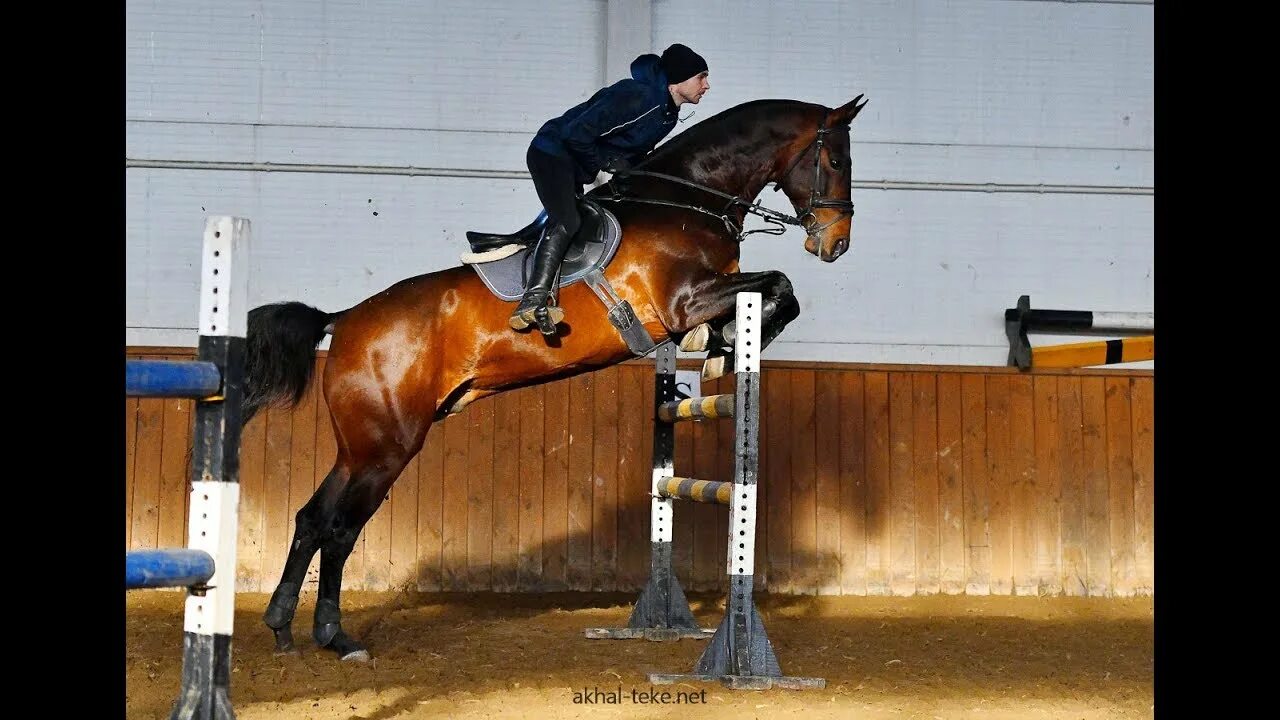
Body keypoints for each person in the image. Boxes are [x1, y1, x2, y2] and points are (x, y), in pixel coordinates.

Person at [466, 43, 710, 335]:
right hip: (552, 152)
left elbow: (631, 154)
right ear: (678, 79)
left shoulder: (667, 115)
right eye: (701, 77)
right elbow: (575, 134)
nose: (707, 86)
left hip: (574, 162)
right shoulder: (638, 97)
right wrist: (607, 161)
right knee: (567, 221)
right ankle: (532, 300)